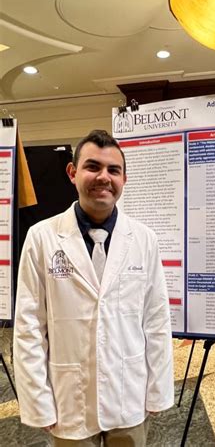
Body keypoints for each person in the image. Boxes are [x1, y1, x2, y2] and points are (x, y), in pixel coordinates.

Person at [14, 130, 174, 445]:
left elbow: (156, 320)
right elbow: (29, 326)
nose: (104, 177)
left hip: (129, 393)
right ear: (72, 173)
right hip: (69, 398)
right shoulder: (41, 237)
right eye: (93, 167)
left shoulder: (144, 239)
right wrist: (38, 402)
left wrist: (158, 390)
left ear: (124, 179)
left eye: (113, 170)